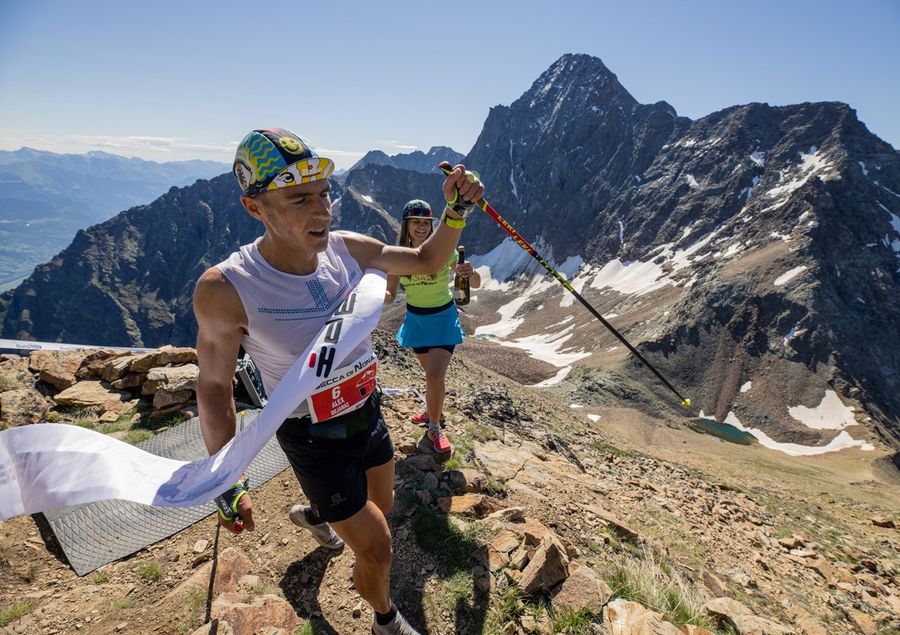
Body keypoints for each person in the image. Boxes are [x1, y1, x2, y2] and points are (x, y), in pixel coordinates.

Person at [193, 127, 483, 635]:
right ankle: (385, 621)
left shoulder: (346, 250)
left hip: (366, 412)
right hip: (313, 438)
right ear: (254, 207)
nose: (322, 209)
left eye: (324, 193)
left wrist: (455, 210)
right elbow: (215, 385)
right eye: (299, 198)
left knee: (384, 507)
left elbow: (426, 261)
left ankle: (318, 518)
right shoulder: (227, 288)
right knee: (379, 546)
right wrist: (225, 478)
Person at [385, 200, 481, 456]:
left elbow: (477, 282)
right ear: (406, 225)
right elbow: (389, 294)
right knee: (432, 377)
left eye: (426, 222)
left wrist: (469, 272)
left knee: (434, 377)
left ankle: (435, 427)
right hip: (416, 323)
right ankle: (432, 409)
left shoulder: (443, 250)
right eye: (416, 221)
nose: (422, 227)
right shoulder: (396, 256)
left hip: (442, 319)